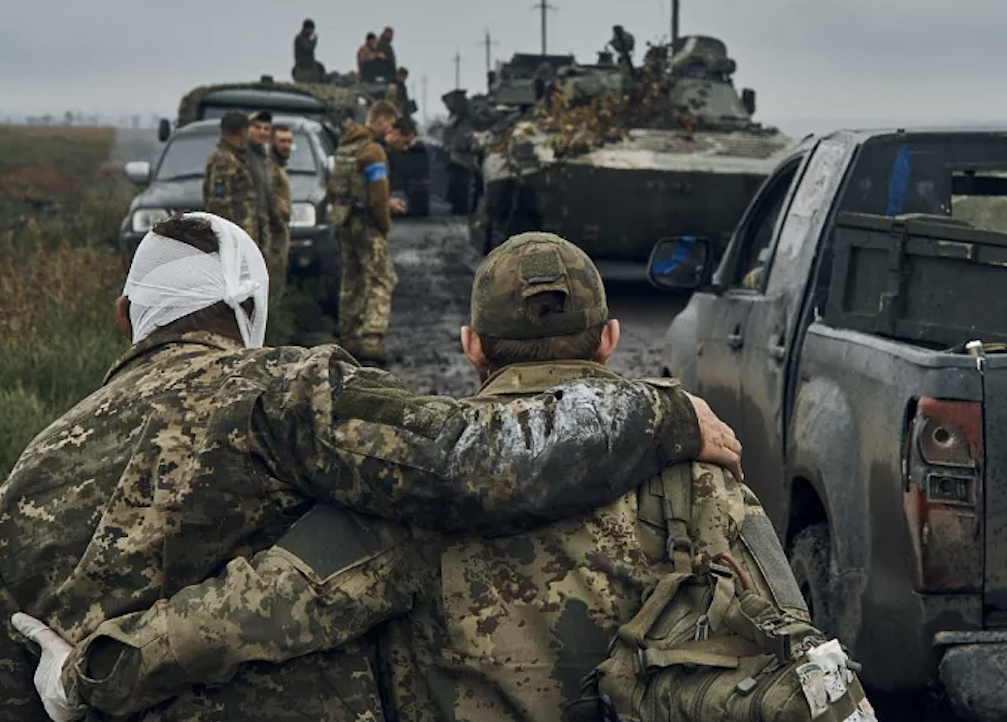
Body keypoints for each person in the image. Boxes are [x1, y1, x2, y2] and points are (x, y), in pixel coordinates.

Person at [1, 218, 742, 722]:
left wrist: (86, 677)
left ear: (126, 317)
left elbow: (270, 603)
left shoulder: (33, 467)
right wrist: (661, 415)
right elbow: (464, 459)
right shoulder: (282, 392)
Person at [326, 100, 404, 365]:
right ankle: (371, 338)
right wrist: (385, 224)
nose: (391, 130)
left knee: (352, 278)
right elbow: (378, 196)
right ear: (381, 120)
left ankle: (349, 335)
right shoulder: (372, 151)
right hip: (367, 223)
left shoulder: (345, 146)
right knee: (382, 278)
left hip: (345, 221)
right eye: (391, 124)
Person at [203, 111, 258, 240]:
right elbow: (219, 204)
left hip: (242, 235)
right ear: (243, 132)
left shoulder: (235, 157)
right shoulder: (224, 160)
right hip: (233, 237)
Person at [243, 111, 275, 287]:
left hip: (262, 223)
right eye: (257, 127)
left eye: (266, 129)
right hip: (249, 224)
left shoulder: (263, 156)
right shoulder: (244, 155)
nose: (262, 132)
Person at [267, 123, 293, 303]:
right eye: (282, 141)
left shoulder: (278, 165)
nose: (286, 145)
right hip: (272, 231)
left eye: (289, 141)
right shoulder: (268, 167)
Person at [292, 18, 324, 82]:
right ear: (307, 29)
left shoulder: (305, 38)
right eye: (312, 30)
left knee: (320, 67)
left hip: (308, 64)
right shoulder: (300, 38)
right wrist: (314, 40)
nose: (312, 32)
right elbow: (308, 48)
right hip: (303, 65)